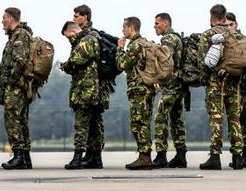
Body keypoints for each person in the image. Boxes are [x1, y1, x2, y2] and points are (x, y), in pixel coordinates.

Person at [199, 4, 243, 170]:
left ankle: (215, 157)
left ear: (211, 18)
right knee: (235, 119)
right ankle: (238, 157)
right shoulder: (237, 36)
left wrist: (206, 79)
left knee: (216, 120)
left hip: (216, 84)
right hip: (234, 84)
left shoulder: (209, 34)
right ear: (225, 18)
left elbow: (203, 63)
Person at [61, 21, 107, 170]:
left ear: (72, 32)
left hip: (86, 91)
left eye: (68, 36)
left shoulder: (87, 40)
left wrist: (65, 65)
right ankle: (95, 158)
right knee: (94, 125)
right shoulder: (92, 38)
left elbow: (76, 60)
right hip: (92, 90)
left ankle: (78, 157)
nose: (69, 40)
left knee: (82, 125)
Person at [116, 16, 155, 170]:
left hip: (138, 89)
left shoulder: (135, 45)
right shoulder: (146, 43)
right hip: (147, 87)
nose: (122, 30)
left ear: (131, 27)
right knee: (143, 121)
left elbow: (122, 65)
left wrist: (120, 48)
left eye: (124, 27)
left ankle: (144, 157)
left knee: (138, 123)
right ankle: (145, 155)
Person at [0, 7, 34, 170]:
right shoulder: (18, 35)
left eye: (4, 18)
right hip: (19, 86)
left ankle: (19, 155)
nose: (2, 21)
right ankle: (24, 157)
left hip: (16, 87)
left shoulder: (20, 35)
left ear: (12, 18)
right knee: (20, 120)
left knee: (13, 120)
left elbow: (19, 61)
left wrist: (10, 81)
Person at [153, 12, 188, 169]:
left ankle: (161, 155)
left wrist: (159, 79)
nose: (155, 26)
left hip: (171, 85)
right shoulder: (177, 38)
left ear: (166, 23)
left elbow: (166, 62)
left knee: (161, 117)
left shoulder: (168, 39)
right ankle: (181, 155)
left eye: (157, 23)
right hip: (180, 84)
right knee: (176, 119)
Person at [225, 12, 246, 169]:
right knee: (240, 121)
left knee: (243, 121)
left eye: (231, 24)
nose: (229, 27)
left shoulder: (244, 41)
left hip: (244, 88)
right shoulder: (228, 41)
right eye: (227, 25)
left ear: (236, 24)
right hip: (234, 87)